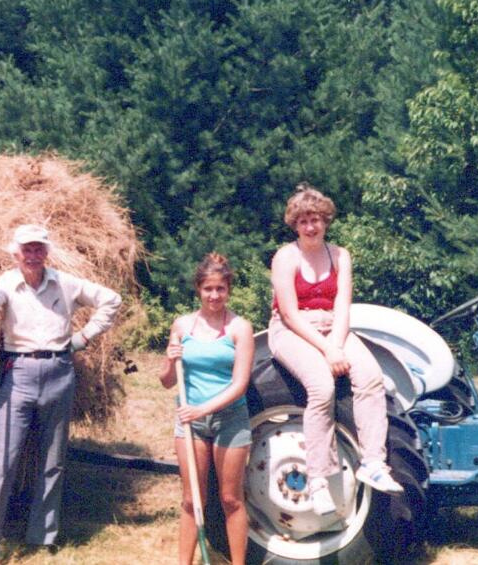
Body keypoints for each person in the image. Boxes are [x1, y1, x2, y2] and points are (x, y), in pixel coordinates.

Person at [0, 223, 122, 560]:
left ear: (46, 252)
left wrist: (84, 337)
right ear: (16, 253)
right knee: (4, 463)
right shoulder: (8, 282)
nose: (33, 255)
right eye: (27, 249)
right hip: (18, 373)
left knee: (53, 461)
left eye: (38, 249)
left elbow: (111, 299)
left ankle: (43, 535)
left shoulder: (64, 283)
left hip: (59, 372)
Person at [268, 184, 403, 517]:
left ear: (326, 220)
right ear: (294, 224)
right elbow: (288, 313)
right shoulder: (286, 257)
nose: (310, 227)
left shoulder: (340, 255)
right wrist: (328, 350)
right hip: (292, 329)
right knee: (322, 386)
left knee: (371, 377)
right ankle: (317, 479)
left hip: (333, 326)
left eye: (315, 219)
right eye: (303, 221)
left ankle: (372, 461)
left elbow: (343, 306)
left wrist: (338, 345)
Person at [159, 253, 253, 565]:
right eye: (208, 289)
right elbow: (166, 381)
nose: (214, 296)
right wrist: (170, 359)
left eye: (220, 289)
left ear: (229, 290)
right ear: (198, 289)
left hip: (230, 420)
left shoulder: (241, 328)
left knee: (230, 499)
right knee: (191, 500)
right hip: (190, 425)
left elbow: (239, 385)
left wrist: (203, 410)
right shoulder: (182, 325)